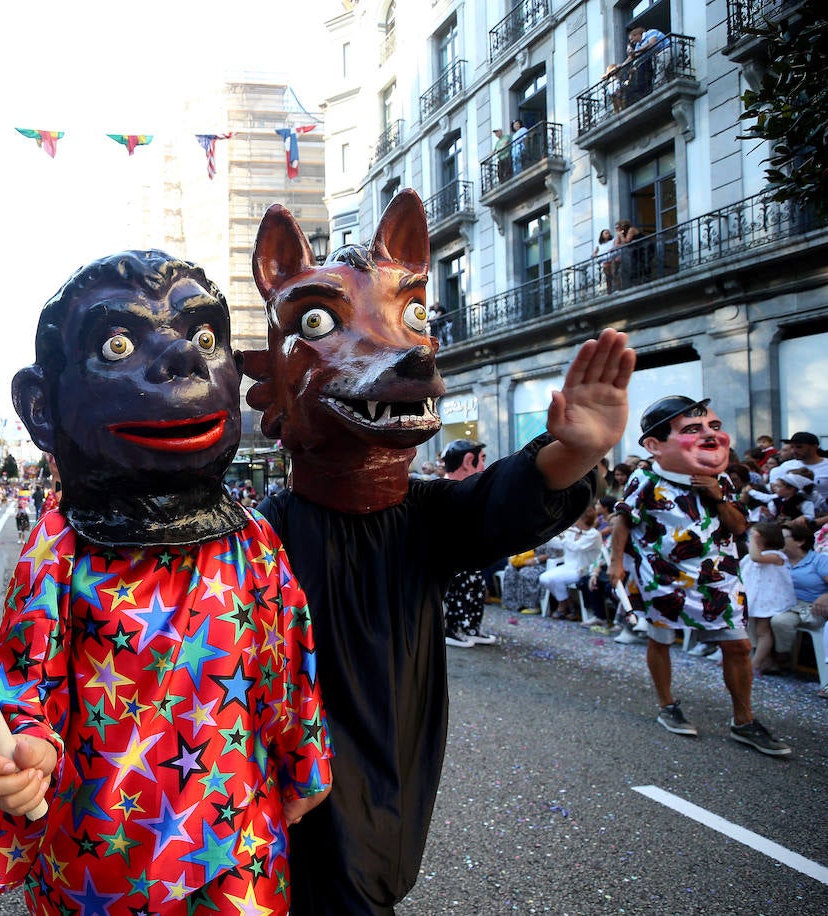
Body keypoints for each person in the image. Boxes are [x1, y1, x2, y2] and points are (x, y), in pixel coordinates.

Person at [242, 195, 629, 914]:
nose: (404, 344)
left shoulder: (425, 519)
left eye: (414, 317)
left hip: (391, 773)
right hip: (288, 780)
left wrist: (572, 453)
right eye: (320, 323)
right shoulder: (263, 537)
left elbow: (501, 503)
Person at [0, 249, 332, 914]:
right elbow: (27, 676)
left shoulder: (251, 539)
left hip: (238, 842)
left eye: (202, 337)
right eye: (116, 344)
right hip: (102, 856)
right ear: (41, 408)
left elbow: (288, 665)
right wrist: (25, 747)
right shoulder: (59, 549)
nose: (184, 359)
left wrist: (304, 759)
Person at [609, 395, 790, 756]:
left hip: (717, 579)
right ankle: (667, 706)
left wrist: (717, 497)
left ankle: (744, 721)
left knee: (738, 646)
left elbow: (739, 526)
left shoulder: (719, 476)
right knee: (661, 641)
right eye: (692, 429)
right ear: (654, 445)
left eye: (714, 427)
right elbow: (623, 521)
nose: (709, 435)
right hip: (663, 577)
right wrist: (616, 564)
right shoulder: (644, 478)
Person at [440, 440, 500, 647]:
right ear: (467, 461)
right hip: (452, 555)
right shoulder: (444, 490)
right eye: (481, 459)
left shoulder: (468, 490)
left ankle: (471, 626)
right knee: (457, 588)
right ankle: (454, 628)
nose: (483, 466)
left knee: (476, 586)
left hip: (470, 553)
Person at [765, 520, 828, 680]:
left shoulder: (818, 561)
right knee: (757, 615)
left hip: (813, 607)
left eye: (784, 537)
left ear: (800, 541)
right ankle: (763, 657)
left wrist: (826, 596)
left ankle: (780, 659)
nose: (779, 541)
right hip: (786, 604)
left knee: (780, 621)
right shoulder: (779, 559)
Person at [742, 522, 796, 676]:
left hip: (767, 599)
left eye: (755, 536)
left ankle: (755, 665)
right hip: (754, 598)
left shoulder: (777, 556)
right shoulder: (751, 557)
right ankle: (764, 660)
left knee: (763, 631)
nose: (751, 539)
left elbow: (756, 557)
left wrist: (753, 538)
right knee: (751, 630)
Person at [539, 504, 604, 622]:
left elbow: (576, 547)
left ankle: (563, 607)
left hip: (583, 569)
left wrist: (563, 537)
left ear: (583, 519)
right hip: (568, 566)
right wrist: (548, 535)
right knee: (544, 578)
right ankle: (567, 603)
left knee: (556, 579)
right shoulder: (573, 532)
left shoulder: (594, 535)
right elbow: (559, 545)